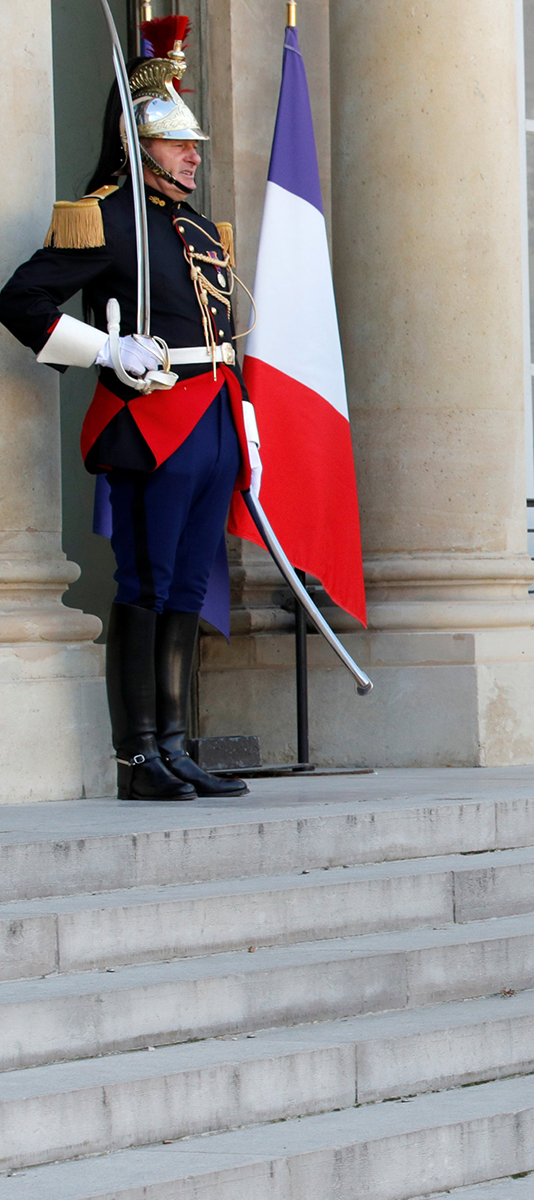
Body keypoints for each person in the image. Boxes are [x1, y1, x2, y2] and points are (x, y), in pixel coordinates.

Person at [0, 17, 250, 802]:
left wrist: (245, 424)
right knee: (144, 583)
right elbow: (22, 300)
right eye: (178, 142)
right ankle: (137, 754)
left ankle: (175, 744)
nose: (193, 154)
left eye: (195, 143)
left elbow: (222, 334)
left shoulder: (202, 230)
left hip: (212, 419)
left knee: (185, 587)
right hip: (151, 422)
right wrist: (105, 352)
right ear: (138, 143)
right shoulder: (104, 219)